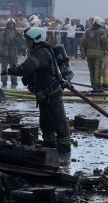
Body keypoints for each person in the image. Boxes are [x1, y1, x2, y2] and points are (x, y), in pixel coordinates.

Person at [7, 26, 71, 163]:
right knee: (46, 122)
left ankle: (65, 150)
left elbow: (27, 67)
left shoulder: (41, 53)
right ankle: (49, 143)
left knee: (59, 122)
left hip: (51, 93)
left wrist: (12, 70)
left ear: (36, 39)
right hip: (44, 94)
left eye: (28, 40)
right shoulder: (38, 51)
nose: (27, 43)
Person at [83, 17, 108, 93]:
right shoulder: (101, 31)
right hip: (98, 55)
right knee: (98, 71)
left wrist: (86, 52)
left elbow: (83, 42)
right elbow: (105, 42)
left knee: (91, 71)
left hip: (89, 55)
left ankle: (93, 86)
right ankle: (98, 87)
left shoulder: (88, 31)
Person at [0, 19, 23, 87]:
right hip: (5, 52)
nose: (11, 25)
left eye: (12, 24)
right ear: (7, 24)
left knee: (13, 67)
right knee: (4, 68)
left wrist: (17, 40)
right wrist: (0, 51)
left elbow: (21, 41)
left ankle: (14, 81)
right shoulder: (3, 33)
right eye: (10, 24)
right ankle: (4, 81)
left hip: (13, 52)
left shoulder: (16, 33)